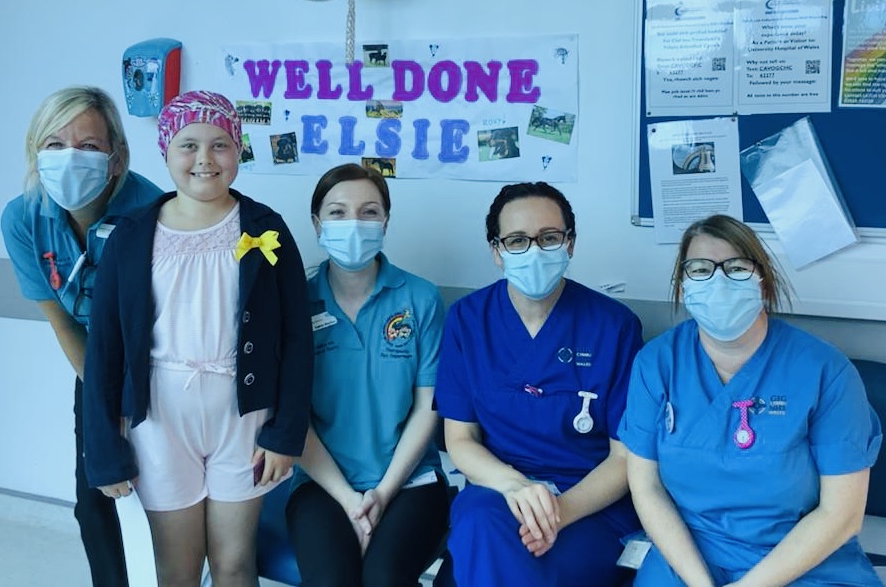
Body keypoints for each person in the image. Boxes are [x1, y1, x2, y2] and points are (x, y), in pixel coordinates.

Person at [81, 90, 313, 586]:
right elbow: (104, 349)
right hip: (160, 418)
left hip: (243, 416)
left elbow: (297, 338)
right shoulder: (130, 236)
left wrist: (285, 433)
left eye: (220, 144)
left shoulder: (266, 227)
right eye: (188, 145)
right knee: (178, 567)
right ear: (165, 151)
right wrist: (103, 450)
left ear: (239, 150)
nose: (205, 159)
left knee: (234, 564)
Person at [619, 214, 883, 586]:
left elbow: (841, 515)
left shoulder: (825, 371)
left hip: (802, 559)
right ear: (682, 285)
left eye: (737, 267)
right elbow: (646, 488)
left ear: (763, 280)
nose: (718, 281)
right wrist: (699, 582)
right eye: (699, 269)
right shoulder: (657, 363)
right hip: (687, 555)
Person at [433, 182, 643, 586]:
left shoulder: (615, 327)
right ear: (496, 251)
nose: (534, 251)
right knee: (480, 525)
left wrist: (557, 511)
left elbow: (623, 459)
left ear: (570, 244)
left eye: (548, 237)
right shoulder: (467, 321)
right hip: (499, 491)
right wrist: (516, 487)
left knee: (505, 562)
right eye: (516, 240)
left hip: (588, 505)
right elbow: (460, 440)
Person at [0, 85, 164, 587]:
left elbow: (162, 322)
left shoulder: (152, 212)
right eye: (54, 144)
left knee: (159, 499)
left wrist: (130, 402)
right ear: (34, 153)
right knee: (96, 500)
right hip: (92, 359)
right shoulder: (23, 218)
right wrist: (102, 402)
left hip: (160, 361)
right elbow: (62, 319)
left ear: (115, 160)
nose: (70, 157)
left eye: (89, 146)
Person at [285, 163, 450, 587]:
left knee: (384, 579)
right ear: (317, 223)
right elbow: (290, 419)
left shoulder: (420, 298)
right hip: (322, 485)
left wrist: (381, 494)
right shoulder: (293, 301)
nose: (354, 224)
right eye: (338, 213)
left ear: (386, 221)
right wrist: (349, 499)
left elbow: (426, 407)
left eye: (369, 212)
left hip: (410, 481)